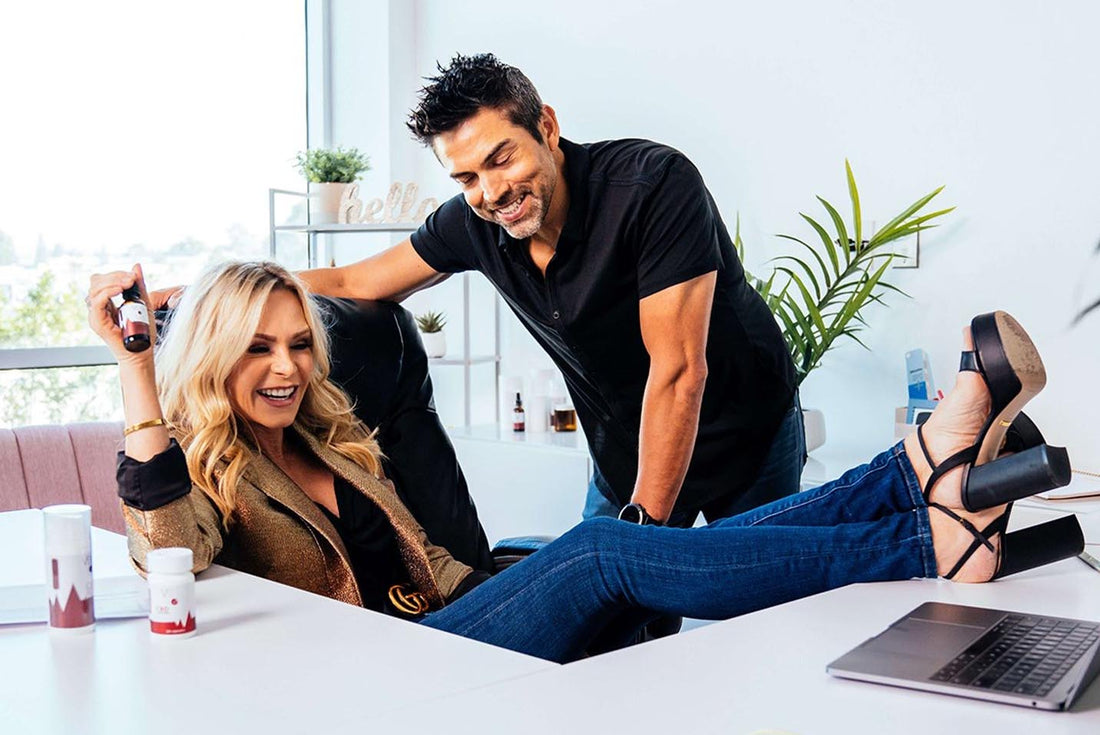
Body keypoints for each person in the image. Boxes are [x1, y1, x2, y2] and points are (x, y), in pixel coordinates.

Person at [89, 260, 1079, 664]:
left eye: (297, 344)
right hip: (397, 673)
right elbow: (163, 547)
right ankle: (927, 523)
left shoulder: (324, 437)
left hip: (452, 620)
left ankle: (914, 478)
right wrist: (137, 371)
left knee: (631, 549)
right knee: (603, 548)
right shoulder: (203, 472)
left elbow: (428, 570)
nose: (284, 368)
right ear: (213, 356)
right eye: (257, 348)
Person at [295, 53, 803, 528]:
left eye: (502, 159)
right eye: (467, 177)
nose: (493, 193)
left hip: (744, 436)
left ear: (547, 127)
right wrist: (230, 292)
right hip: (625, 448)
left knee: (761, 606)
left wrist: (639, 537)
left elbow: (678, 372)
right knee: (608, 617)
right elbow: (350, 282)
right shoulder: (473, 223)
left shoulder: (654, 186)